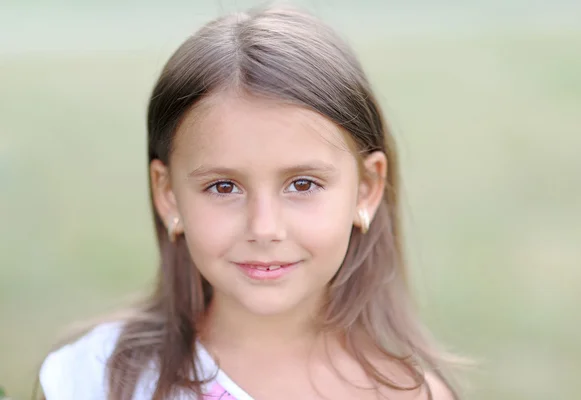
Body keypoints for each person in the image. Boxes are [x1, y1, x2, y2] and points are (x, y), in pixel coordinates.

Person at [39, 5, 459, 400]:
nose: (264, 228)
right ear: (168, 195)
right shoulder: (94, 378)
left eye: (302, 184)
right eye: (224, 187)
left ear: (366, 188)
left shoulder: (410, 395)